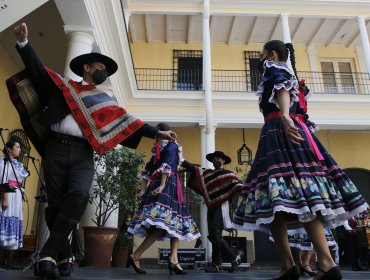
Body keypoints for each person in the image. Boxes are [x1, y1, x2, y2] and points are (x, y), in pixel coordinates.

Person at [13, 23, 176, 279]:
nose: (103, 72)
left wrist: (157, 132)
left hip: (83, 154)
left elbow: (129, 121)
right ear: (87, 68)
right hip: (55, 148)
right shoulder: (63, 88)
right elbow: (37, 71)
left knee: (78, 195)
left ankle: (47, 253)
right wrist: (24, 43)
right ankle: (63, 255)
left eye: (105, 70)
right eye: (100, 67)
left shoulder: (105, 102)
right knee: (55, 206)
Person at [232, 40, 369, 280]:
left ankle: (304, 263)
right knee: (289, 199)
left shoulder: (274, 68)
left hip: (279, 132)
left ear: (272, 54)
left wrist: (284, 117)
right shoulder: (290, 74)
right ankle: (311, 263)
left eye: (262, 55)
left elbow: (282, 90)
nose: (260, 59)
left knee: (280, 196)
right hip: (292, 132)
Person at [128, 123, 200, 275]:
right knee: (164, 224)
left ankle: (173, 260)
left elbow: (147, 169)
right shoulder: (171, 146)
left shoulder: (158, 149)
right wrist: (162, 185)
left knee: (174, 222)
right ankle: (137, 255)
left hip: (159, 184)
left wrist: (143, 189)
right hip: (167, 184)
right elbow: (166, 164)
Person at [181, 151, 244, 273]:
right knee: (214, 234)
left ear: (223, 161)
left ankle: (234, 257)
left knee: (215, 234)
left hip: (222, 206)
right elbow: (194, 169)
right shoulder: (208, 174)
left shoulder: (228, 174)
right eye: (214, 158)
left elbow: (237, 186)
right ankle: (217, 264)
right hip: (212, 207)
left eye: (218, 158)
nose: (216, 160)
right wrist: (181, 160)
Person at [0, 140, 29, 251]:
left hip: (16, 195)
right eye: (17, 147)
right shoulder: (3, 162)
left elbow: (19, 182)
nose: (20, 149)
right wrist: (5, 198)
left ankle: (3, 259)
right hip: (7, 194)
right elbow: (4, 180)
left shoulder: (18, 164)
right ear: (9, 149)